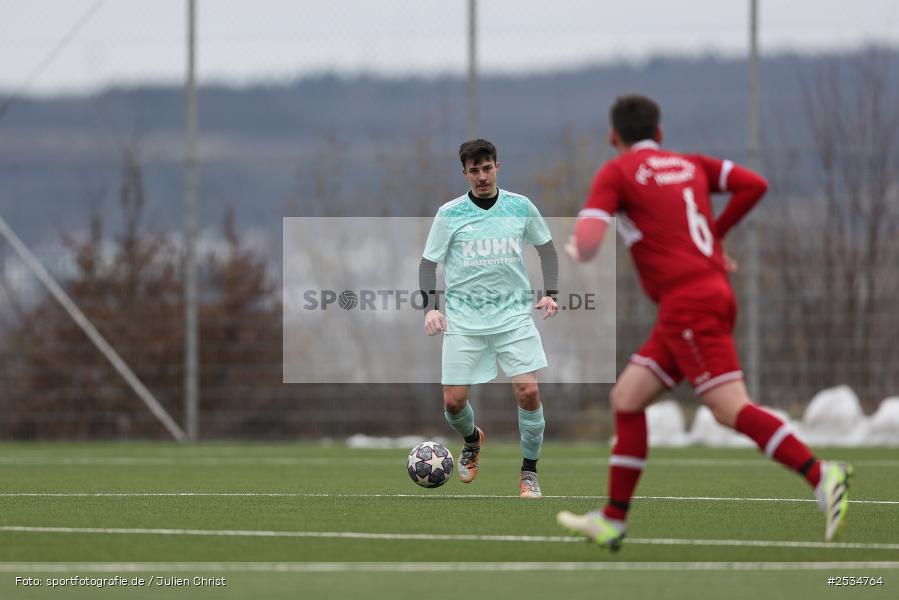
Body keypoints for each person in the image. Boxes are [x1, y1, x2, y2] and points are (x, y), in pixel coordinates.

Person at [556, 95, 852, 549]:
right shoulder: (689, 163)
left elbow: (590, 242)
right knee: (628, 397)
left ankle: (819, 473)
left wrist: (578, 249)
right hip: (703, 297)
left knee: (729, 408)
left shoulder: (616, 172)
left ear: (613, 137)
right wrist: (714, 236)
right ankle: (613, 518)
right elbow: (753, 184)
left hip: (689, 306)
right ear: (660, 132)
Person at [419, 138, 559, 499]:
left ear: (498, 167)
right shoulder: (449, 214)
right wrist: (432, 307)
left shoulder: (520, 206)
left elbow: (546, 248)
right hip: (464, 322)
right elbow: (428, 263)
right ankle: (471, 440)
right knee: (452, 402)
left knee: (528, 392)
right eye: (473, 171)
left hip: (513, 318)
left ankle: (529, 473)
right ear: (464, 173)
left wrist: (551, 293)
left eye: (486, 168)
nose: (481, 176)